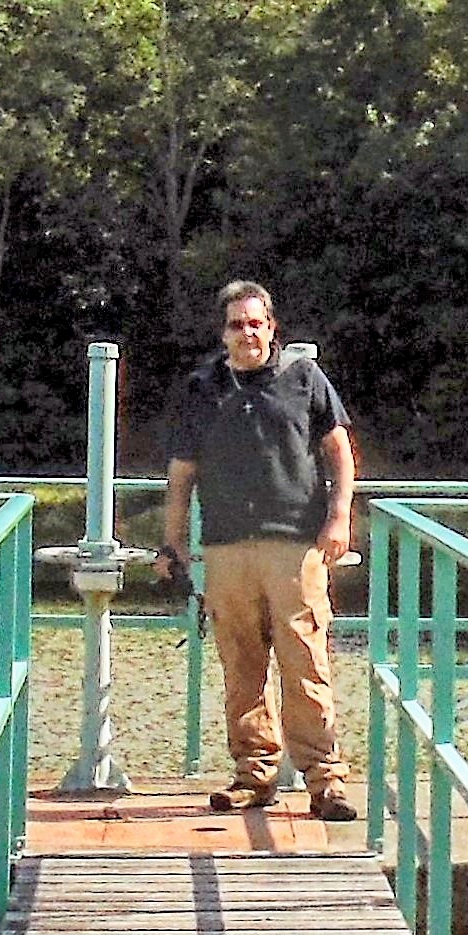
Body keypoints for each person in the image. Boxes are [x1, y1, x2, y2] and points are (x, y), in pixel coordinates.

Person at [155, 280, 360, 818]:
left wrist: (340, 517)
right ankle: (254, 775)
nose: (247, 333)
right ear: (223, 334)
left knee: (306, 664)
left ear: (272, 329)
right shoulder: (203, 388)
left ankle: (325, 781)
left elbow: (339, 452)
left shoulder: (303, 378)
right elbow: (181, 476)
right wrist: (172, 544)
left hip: (296, 545)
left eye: (256, 323)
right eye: (236, 325)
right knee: (242, 668)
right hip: (225, 548)